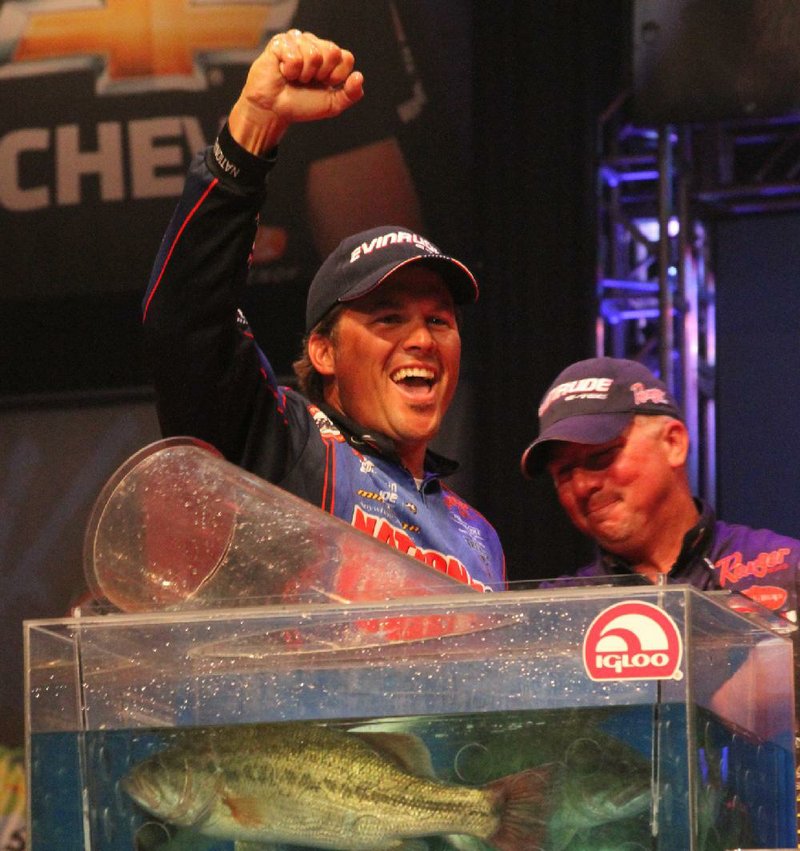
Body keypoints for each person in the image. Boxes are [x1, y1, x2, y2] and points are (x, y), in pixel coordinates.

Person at [142, 29, 505, 593]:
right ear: (323, 350)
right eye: (388, 317)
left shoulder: (479, 538)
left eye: (438, 319)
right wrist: (252, 131)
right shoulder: (283, 446)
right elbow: (186, 320)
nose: (423, 340)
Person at [520, 356, 800, 618]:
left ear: (673, 444)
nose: (582, 486)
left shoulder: (787, 571)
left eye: (602, 456)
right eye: (564, 472)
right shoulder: (556, 614)